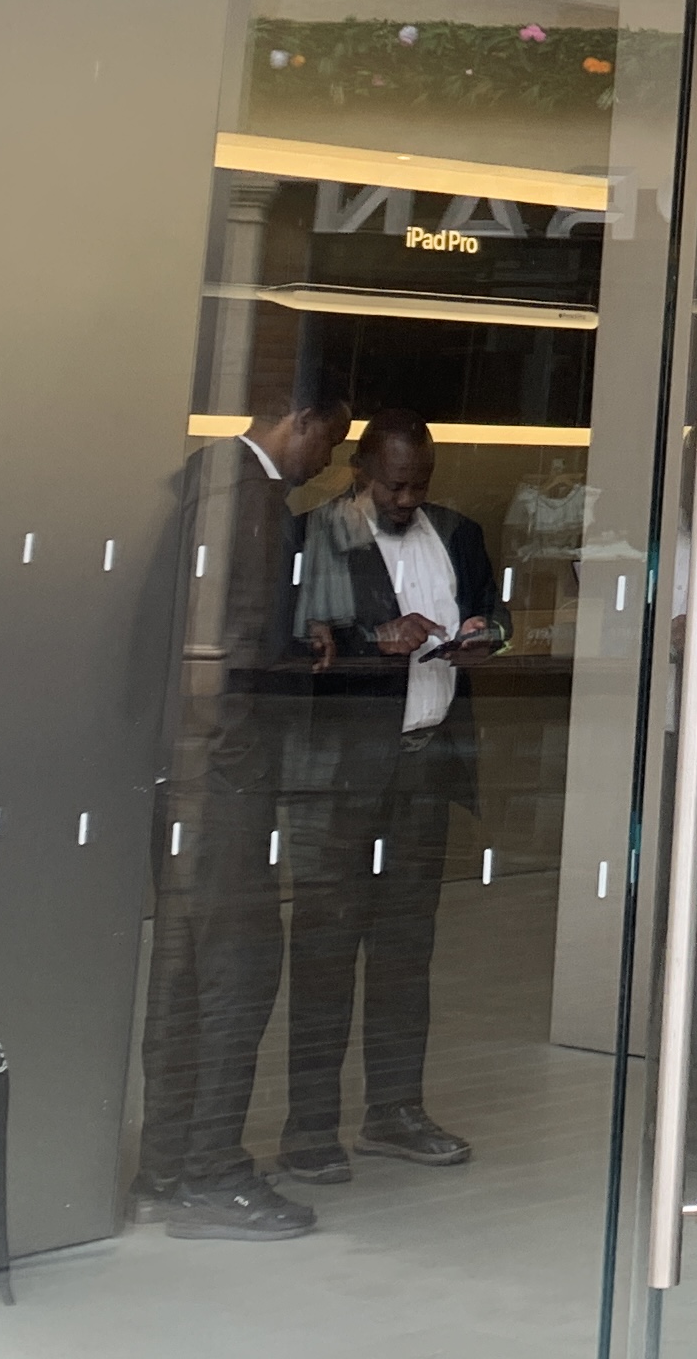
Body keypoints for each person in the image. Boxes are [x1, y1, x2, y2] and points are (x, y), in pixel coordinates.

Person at [134, 378, 350, 1240]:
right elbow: (235, 650)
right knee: (240, 972)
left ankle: (167, 1157)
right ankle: (214, 1169)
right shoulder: (251, 501)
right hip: (223, 785)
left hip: (179, 778)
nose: (325, 461)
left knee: (182, 975)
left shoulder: (200, 484)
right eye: (328, 442)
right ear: (297, 422)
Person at [283, 408, 506, 1179]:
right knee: (323, 952)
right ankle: (309, 1128)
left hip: (425, 765)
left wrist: (485, 631)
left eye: (421, 485)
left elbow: (497, 614)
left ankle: (395, 1111)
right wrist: (368, 642)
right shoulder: (319, 534)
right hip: (338, 780)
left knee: (407, 953)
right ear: (360, 473)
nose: (408, 500)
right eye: (395, 486)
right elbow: (286, 644)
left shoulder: (459, 533)